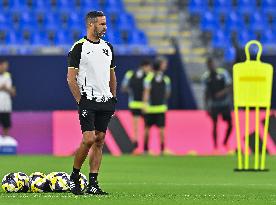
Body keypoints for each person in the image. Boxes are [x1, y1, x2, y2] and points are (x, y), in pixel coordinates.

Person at [67, 11, 117, 195]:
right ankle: (74, 177)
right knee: (88, 139)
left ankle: (93, 183)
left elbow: (112, 75)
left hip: (106, 101)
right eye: (102, 24)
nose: (105, 27)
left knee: (100, 140)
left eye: (105, 24)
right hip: (88, 99)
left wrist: (113, 97)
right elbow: (71, 78)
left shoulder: (108, 47)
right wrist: (81, 101)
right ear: (91, 25)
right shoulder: (79, 47)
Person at [202, 57, 233, 153]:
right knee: (215, 125)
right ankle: (215, 147)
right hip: (214, 105)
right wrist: (206, 107)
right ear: (207, 66)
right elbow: (205, 93)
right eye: (209, 64)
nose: (212, 66)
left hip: (224, 103)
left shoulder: (223, 73)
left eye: (213, 64)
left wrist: (221, 93)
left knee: (230, 125)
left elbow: (230, 86)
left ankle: (225, 142)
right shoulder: (206, 77)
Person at [121, 60, 152, 152]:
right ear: (144, 66)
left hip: (134, 103)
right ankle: (145, 148)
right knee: (146, 126)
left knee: (136, 126)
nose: (149, 69)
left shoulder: (130, 74)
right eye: (148, 67)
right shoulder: (149, 76)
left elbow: (123, 87)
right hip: (145, 105)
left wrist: (132, 90)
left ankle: (136, 147)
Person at [143, 56, 171, 155]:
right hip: (161, 108)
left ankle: (145, 150)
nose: (165, 66)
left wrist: (145, 105)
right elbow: (167, 93)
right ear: (159, 65)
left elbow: (146, 92)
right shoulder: (166, 79)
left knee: (147, 129)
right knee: (162, 129)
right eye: (164, 64)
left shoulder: (148, 78)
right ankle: (162, 150)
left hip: (150, 109)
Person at [0, 59, 16, 141]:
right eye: (4, 65)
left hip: (6, 106)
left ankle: (5, 144)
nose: (6, 67)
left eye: (7, 65)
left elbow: (13, 92)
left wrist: (6, 88)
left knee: (6, 125)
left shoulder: (8, 76)